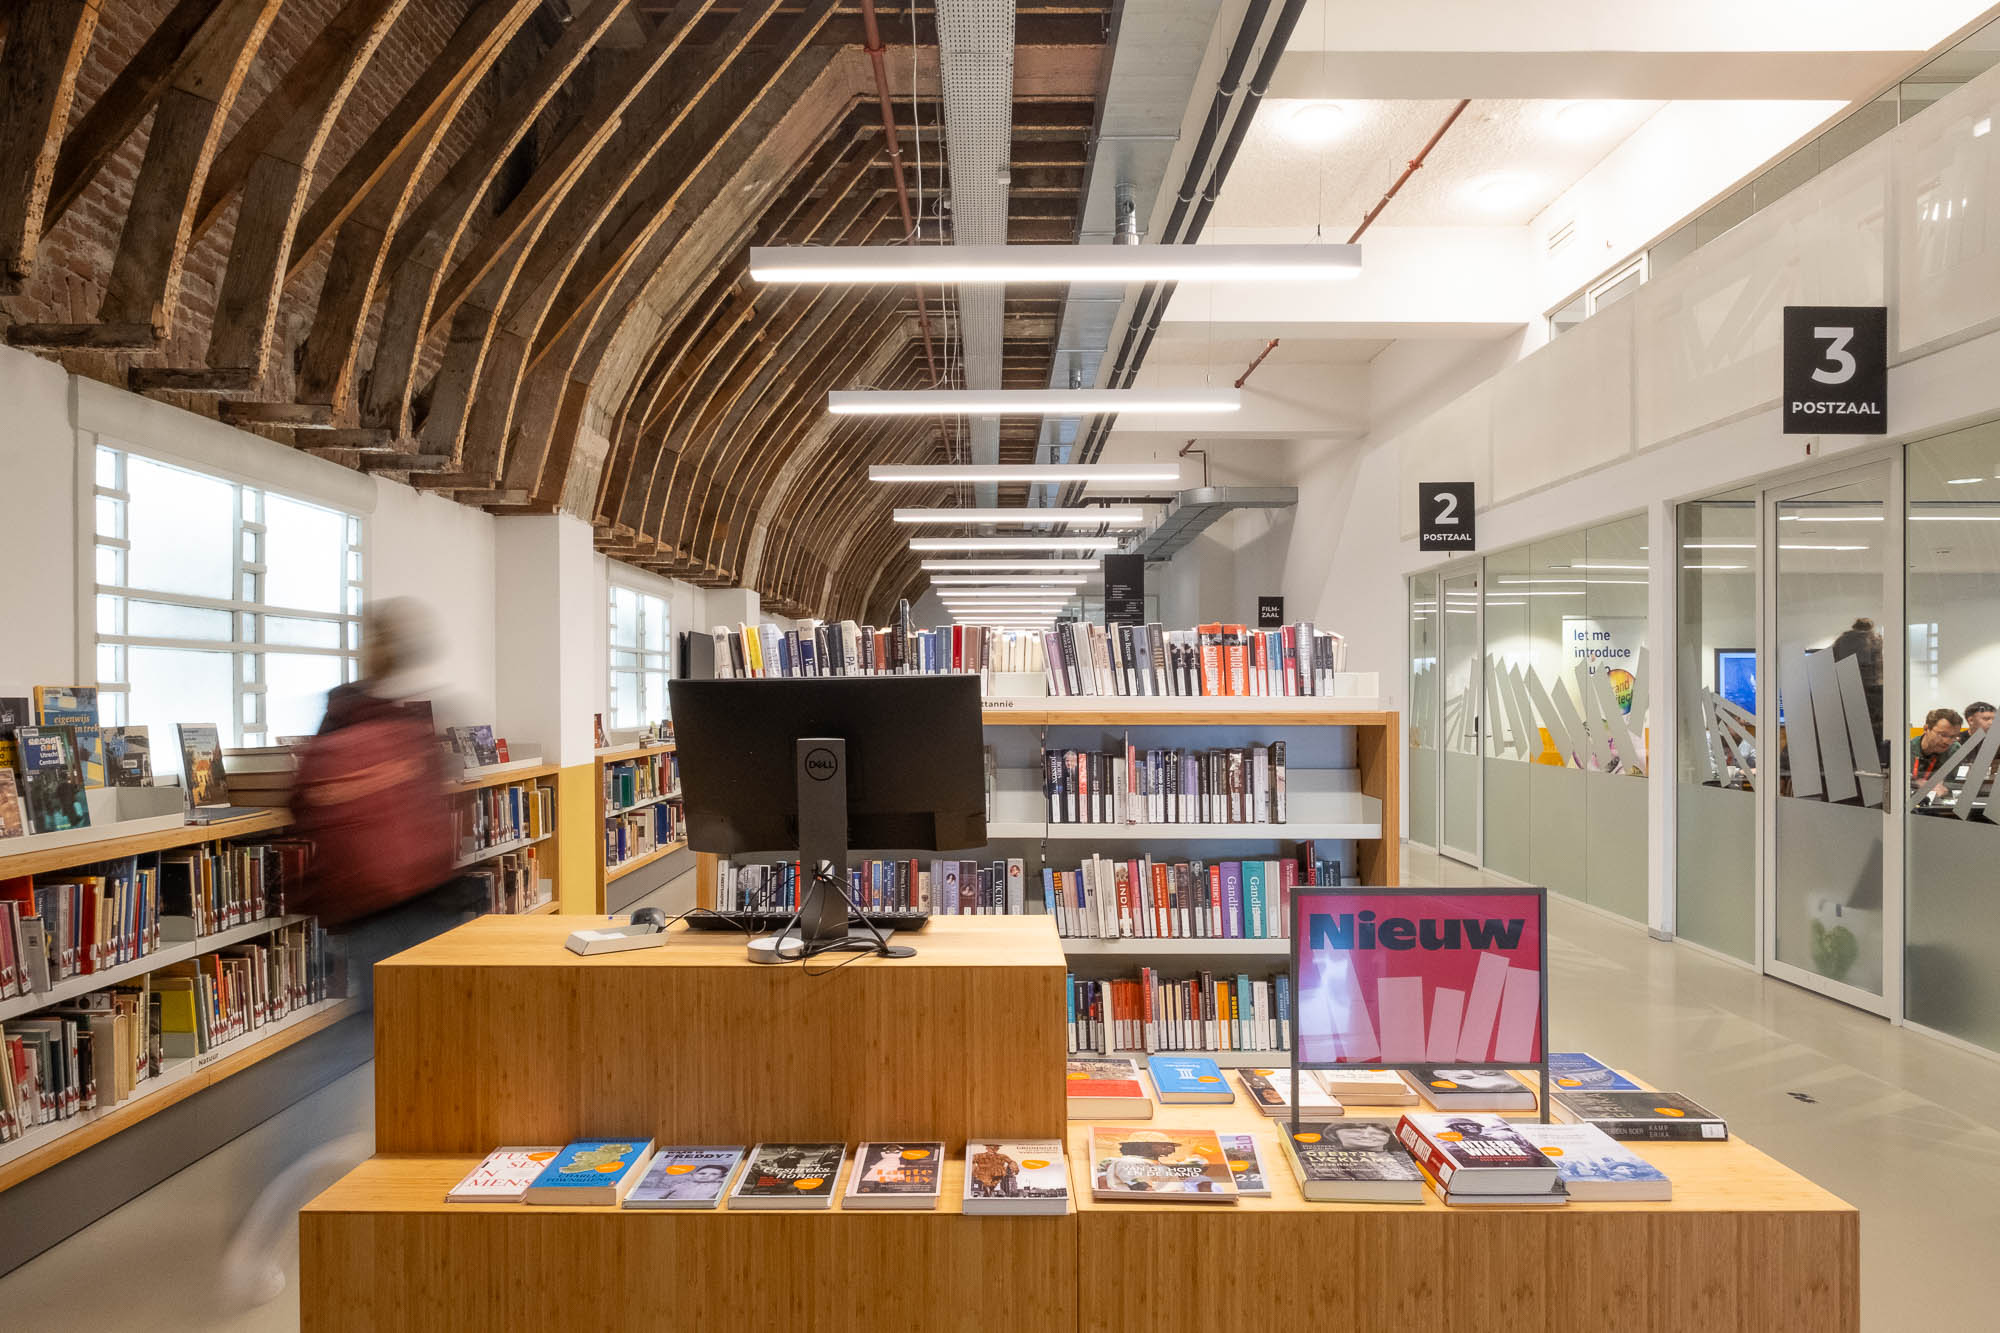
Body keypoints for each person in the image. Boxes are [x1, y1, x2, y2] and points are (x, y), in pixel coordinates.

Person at [1910, 707, 1964, 797]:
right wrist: (1915, 783)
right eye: (1943, 735)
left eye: (1953, 736)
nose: (1947, 741)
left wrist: (1945, 788)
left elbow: (1949, 782)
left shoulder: (1955, 750)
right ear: (1926, 728)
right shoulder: (1907, 749)